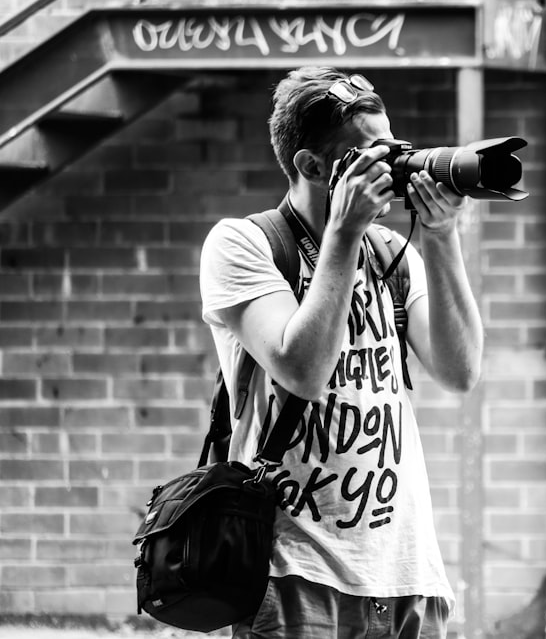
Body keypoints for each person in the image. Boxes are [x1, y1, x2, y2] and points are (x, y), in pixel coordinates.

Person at [198, 66, 484, 638]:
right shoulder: (243, 243)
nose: (390, 168)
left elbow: (460, 371)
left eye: (393, 150)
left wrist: (443, 235)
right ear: (311, 167)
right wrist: (343, 233)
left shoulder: (392, 255)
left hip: (406, 571)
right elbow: (302, 369)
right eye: (369, 156)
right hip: (294, 571)